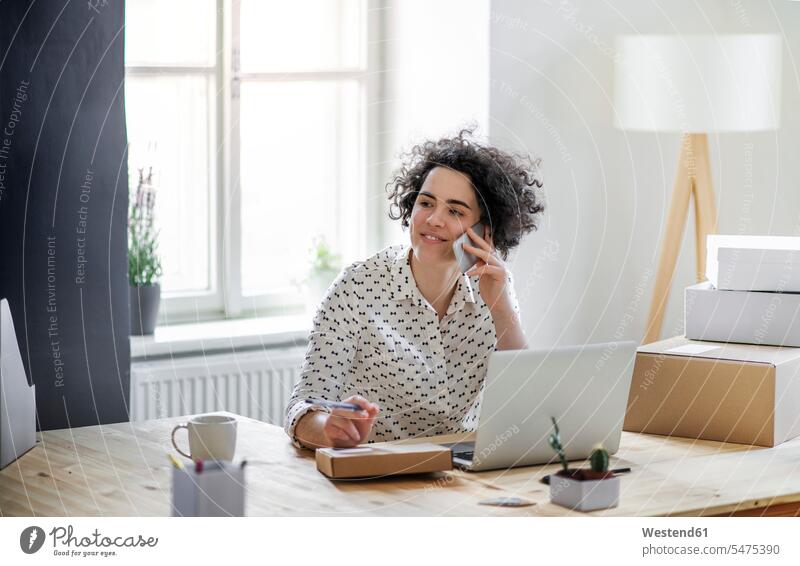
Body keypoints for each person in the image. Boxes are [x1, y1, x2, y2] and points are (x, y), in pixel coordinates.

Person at [284, 127, 544, 449]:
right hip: (375, 474)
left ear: (484, 230)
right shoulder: (358, 287)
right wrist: (330, 429)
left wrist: (502, 309)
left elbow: (528, 401)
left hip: (459, 477)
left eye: (455, 211)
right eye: (426, 202)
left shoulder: (493, 286)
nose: (434, 219)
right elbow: (302, 408)